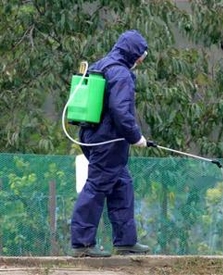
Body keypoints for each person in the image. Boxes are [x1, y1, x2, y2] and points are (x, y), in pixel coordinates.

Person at [70, 30, 150, 257]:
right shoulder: (121, 74)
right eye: (141, 56)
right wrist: (136, 137)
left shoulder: (100, 65)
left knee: (121, 185)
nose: (140, 61)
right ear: (134, 54)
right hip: (108, 141)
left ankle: (126, 241)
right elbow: (120, 111)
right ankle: (82, 244)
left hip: (90, 135)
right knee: (96, 187)